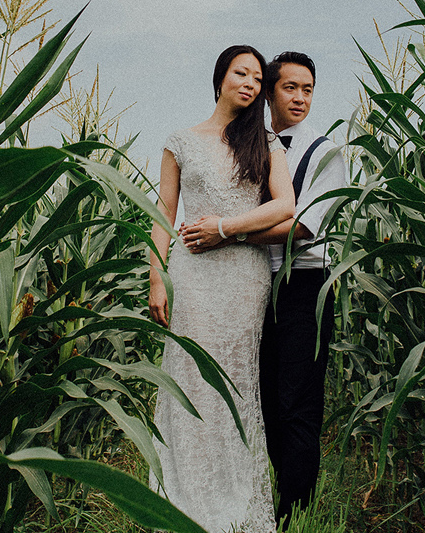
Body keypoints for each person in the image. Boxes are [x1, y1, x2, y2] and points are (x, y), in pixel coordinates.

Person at [182, 51, 346, 527]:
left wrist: (227, 233)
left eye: (308, 89)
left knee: (296, 404)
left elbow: (302, 227)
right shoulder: (252, 145)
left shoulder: (325, 152)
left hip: (303, 285)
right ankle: (262, 502)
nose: (300, 98)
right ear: (270, 91)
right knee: (264, 400)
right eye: (290, 88)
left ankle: (296, 516)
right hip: (254, 284)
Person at [148, 45, 297, 533]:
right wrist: (156, 278)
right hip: (191, 274)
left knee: (233, 383)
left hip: (243, 276)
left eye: (258, 78)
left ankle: (233, 506)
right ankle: (181, 502)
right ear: (220, 79)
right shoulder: (180, 142)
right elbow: (162, 215)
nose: (251, 84)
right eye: (242, 73)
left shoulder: (265, 143)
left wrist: (226, 228)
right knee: (189, 377)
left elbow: (285, 208)